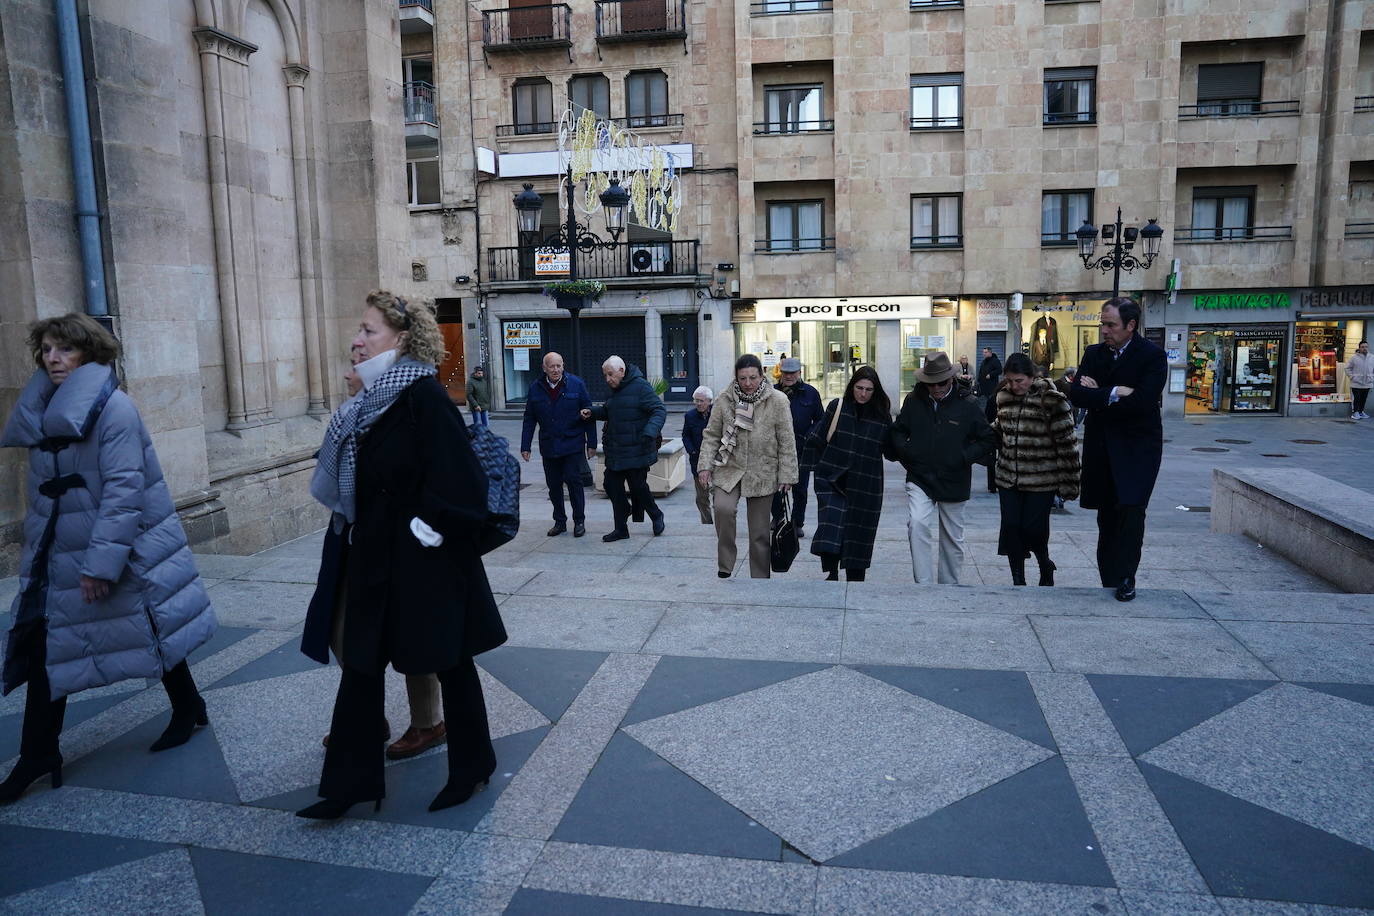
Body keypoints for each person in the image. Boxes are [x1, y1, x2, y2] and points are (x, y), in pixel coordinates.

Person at [299, 291, 506, 819]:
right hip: (371, 559)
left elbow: (463, 484)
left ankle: (471, 767)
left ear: (402, 338)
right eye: (359, 330)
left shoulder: (423, 398)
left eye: (369, 331)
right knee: (361, 670)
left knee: (451, 666)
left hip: (427, 565)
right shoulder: (368, 405)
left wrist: (425, 527)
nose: (356, 340)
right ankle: (346, 786)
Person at [1, 314, 217, 802]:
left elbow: (124, 490)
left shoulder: (115, 409)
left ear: (89, 355)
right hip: (59, 551)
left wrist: (100, 564)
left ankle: (186, 706)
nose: (53, 359)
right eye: (48, 350)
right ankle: (39, 753)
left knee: (145, 626)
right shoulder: (45, 409)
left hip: (113, 549)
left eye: (64, 350)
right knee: (47, 645)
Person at [1070, 296, 1167, 603]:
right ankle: (1108, 579)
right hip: (1102, 449)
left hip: (1138, 450)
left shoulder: (1152, 356)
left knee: (1131, 512)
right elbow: (1077, 394)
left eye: (1110, 325)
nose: (1104, 330)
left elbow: (1143, 402)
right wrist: (1113, 392)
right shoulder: (1094, 353)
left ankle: (1126, 576)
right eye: (1102, 323)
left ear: (1131, 325)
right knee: (1106, 517)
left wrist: (1098, 395)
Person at [888, 351, 995, 585]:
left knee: (952, 538)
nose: (936, 388)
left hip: (954, 476)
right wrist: (906, 453)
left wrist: (963, 458)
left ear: (951, 379)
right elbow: (899, 430)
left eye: (941, 383)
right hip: (920, 475)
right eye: (930, 383)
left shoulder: (967, 403)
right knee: (917, 523)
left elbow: (988, 438)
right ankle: (923, 585)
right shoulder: (914, 400)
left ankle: (949, 586)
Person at [698, 354, 798, 578]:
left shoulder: (778, 401)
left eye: (753, 377)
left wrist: (787, 475)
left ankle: (760, 576)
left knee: (760, 530)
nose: (748, 383)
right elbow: (712, 436)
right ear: (736, 378)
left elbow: (787, 440)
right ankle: (725, 565)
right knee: (723, 509)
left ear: (762, 375)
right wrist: (704, 466)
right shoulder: (725, 400)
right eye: (743, 378)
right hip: (729, 467)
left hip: (762, 470)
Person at [992, 353, 1081, 586]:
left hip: (1042, 479)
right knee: (1011, 528)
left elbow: (1068, 444)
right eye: (1010, 381)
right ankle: (1018, 580)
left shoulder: (1052, 400)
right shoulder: (1003, 397)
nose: (1014, 386)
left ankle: (1044, 564)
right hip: (1008, 476)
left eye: (1019, 380)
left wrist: (1070, 483)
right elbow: (1000, 429)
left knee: (1034, 530)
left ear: (1032, 376)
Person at [802, 366, 892, 582]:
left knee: (859, 534)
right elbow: (817, 437)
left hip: (866, 484)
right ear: (852, 387)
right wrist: (805, 472)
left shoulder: (882, 416)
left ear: (875, 391)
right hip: (834, 480)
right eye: (859, 388)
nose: (863, 393)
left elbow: (891, 450)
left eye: (868, 389)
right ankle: (832, 574)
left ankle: (856, 578)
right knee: (832, 528)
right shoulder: (838, 407)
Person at [580, 357, 666, 542]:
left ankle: (656, 514)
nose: (607, 379)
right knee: (611, 484)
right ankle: (621, 528)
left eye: (610, 374)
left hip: (637, 448)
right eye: (605, 375)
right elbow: (610, 411)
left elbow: (658, 410)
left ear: (621, 370)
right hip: (617, 450)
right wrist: (593, 412)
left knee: (639, 487)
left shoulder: (641, 386)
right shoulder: (614, 390)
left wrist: (650, 431)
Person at [521, 352, 596, 538]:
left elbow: (589, 414)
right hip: (549, 445)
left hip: (572, 443)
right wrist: (525, 446)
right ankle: (559, 521)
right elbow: (529, 418)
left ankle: (579, 520)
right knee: (553, 485)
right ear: (544, 368)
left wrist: (592, 443)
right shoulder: (535, 388)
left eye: (559, 366)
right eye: (552, 366)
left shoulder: (576, 384)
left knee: (574, 482)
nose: (556, 370)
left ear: (563, 366)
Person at [772, 357, 825, 538]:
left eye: (793, 373)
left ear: (799, 373)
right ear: (781, 373)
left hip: (802, 449)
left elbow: (820, 419)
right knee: (776, 486)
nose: (789, 376)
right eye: (786, 373)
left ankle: (797, 522)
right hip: (776, 449)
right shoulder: (772, 392)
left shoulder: (811, 393)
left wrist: (810, 434)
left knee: (800, 489)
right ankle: (778, 517)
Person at [681, 386, 714, 525]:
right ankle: (707, 523)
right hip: (697, 462)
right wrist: (692, 451)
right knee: (701, 498)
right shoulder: (690, 416)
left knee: (719, 498)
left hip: (716, 462)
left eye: (701, 401)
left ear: (709, 401)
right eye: (696, 400)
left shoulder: (717, 415)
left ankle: (721, 523)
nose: (698, 403)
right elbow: (685, 435)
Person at [1345, 340, 1372, 419]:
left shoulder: (1372, 358)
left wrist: (1372, 377)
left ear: (1368, 347)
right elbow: (1347, 368)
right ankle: (1355, 412)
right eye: (1362, 347)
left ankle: (1361, 412)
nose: (1364, 348)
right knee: (1356, 398)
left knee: (1364, 398)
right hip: (1356, 383)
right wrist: (1352, 377)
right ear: (1359, 348)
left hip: (1367, 382)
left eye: (1366, 347)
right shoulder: (1354, 358)